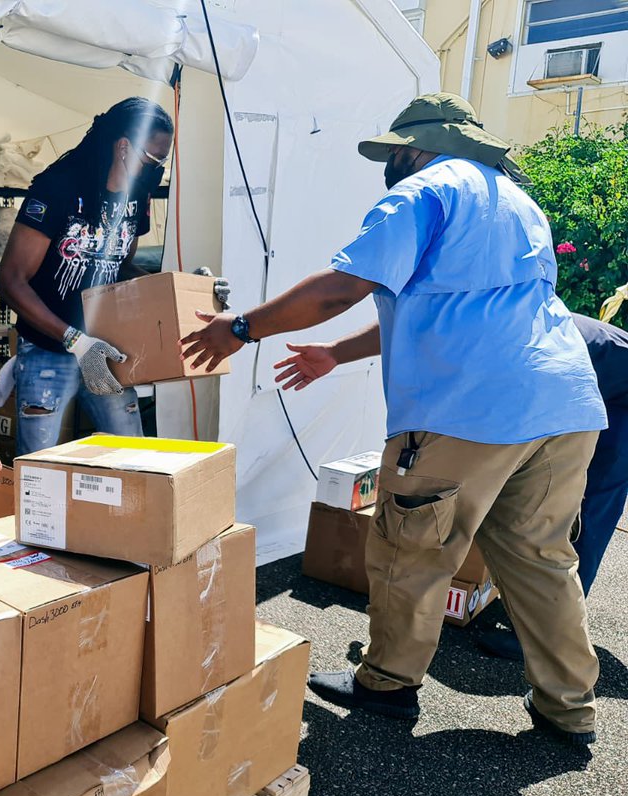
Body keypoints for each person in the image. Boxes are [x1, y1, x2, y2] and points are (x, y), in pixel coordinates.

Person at [180, 93, 607, 746]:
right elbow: (439, 307)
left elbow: (338, 288)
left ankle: (387, 684)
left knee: (412, 547)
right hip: (564, 403)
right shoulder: (517, 203)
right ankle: (570, 709)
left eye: (392, 154)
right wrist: (333, 354)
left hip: (467, 407)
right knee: (541, 559)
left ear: (414, 148)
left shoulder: (423, 192)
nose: (389, 166)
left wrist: (240, 327)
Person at [272, 312, 628, 660]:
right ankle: (548, 629)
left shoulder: (489, 345)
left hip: (612, 393)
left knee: (577, 514)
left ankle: (539, 637)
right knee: (537, 512)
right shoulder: (465, 324)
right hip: (593, 381)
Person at [0, 97, 172, 454]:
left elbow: (120, 266)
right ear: (124, 147)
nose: (156, 170)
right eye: (152, 160)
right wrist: (76, 341)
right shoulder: (59, 188)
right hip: (49, 350)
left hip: (105, 347)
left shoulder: (137, 197)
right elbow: (10, 281)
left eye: (162, 163)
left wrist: (183, 290)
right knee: (40, 468)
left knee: (133, 456)